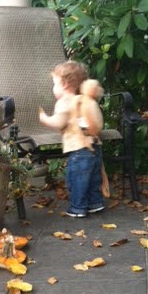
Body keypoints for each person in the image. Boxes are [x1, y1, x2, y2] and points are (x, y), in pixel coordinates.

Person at [39, 60, 105, 218]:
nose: (53, 88)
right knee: (93, 179)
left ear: (64, 84)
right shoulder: (86, 100)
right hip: (95, 146)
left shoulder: (64, 102)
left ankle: (78, 208)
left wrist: (45, 119)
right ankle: (95, 203)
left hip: (79, 150)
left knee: (77, 180)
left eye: (54, 84)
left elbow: (59, 122)